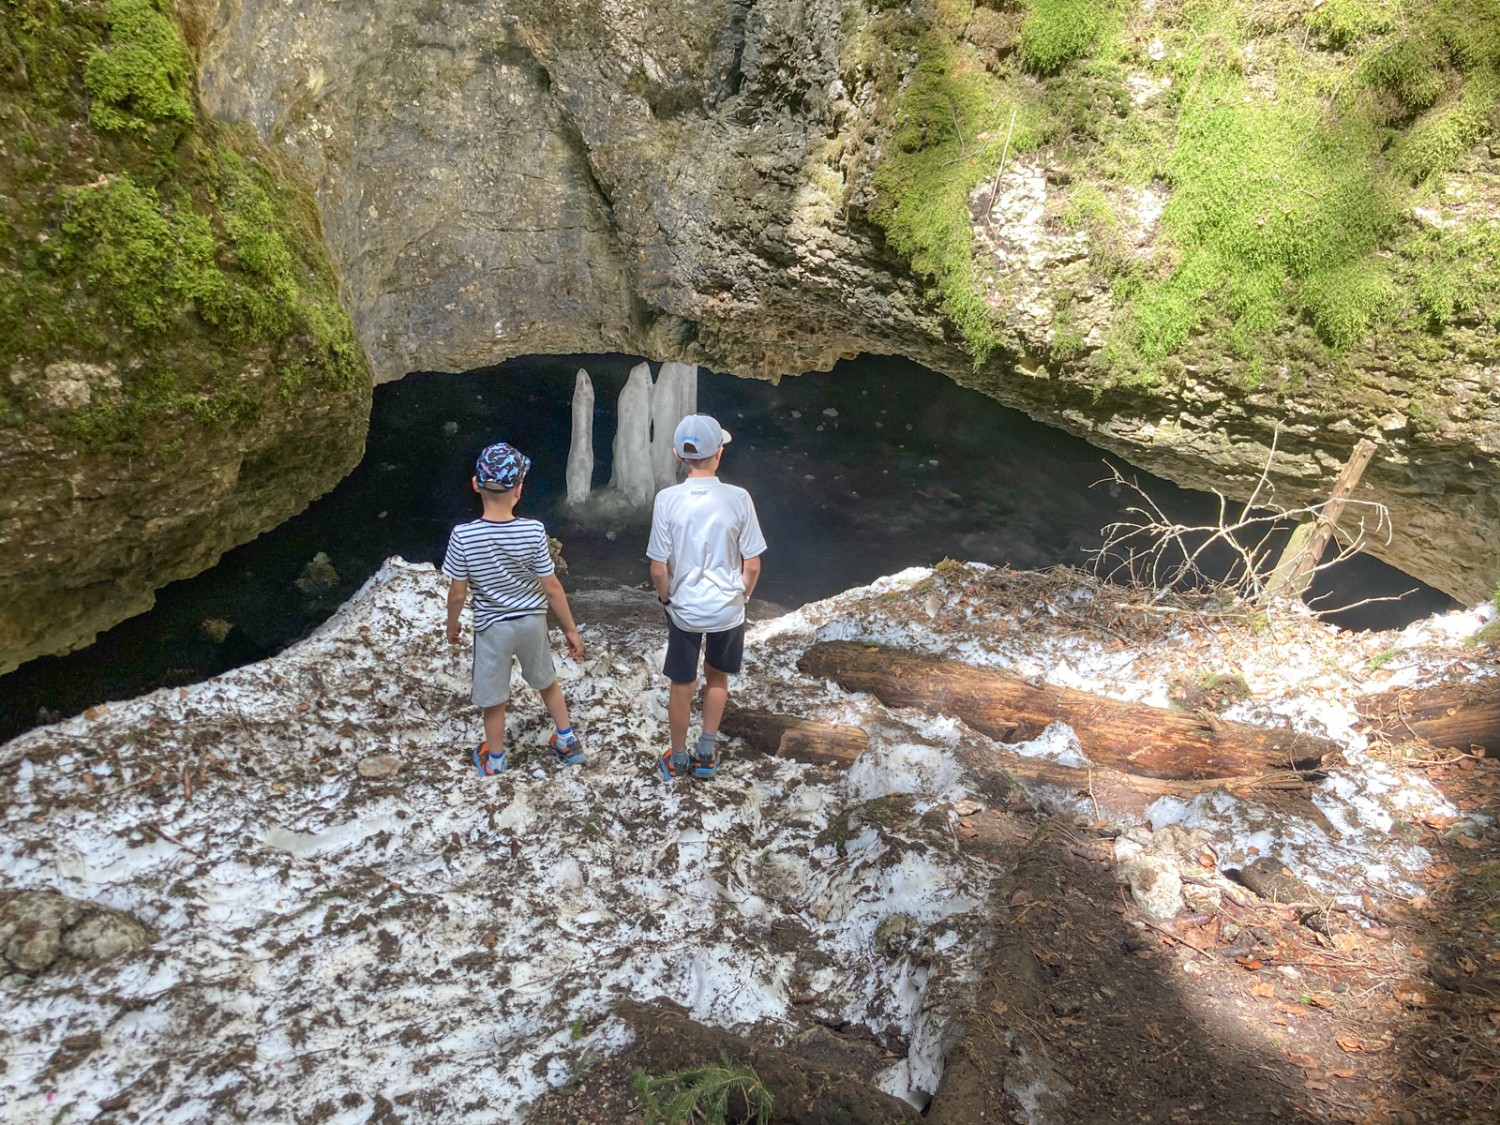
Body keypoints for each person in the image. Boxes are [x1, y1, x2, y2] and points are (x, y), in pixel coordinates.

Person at [443, 441, 586, 776]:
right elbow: (551, 586)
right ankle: (566, 740)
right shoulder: (533, 531)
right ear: (519, 490)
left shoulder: (463, 536)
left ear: (476, 484)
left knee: (494, 698)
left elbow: (458, 593)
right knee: (547, 682)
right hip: (532, 622)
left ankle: (494, 759)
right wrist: (570, 629)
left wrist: (453, 624)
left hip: (493, 627)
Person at [646, 414, 767, 780]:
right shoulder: (738, 498)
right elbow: (754, 564)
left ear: (677, 455)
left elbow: (657, 567)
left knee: (682, 685)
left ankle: (678, 757)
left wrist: (667, 599)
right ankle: (707, 752)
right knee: (717, 679)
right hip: (727, 610)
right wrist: (742, 596)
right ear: (719, 453)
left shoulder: (667, 499)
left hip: (684, 610)